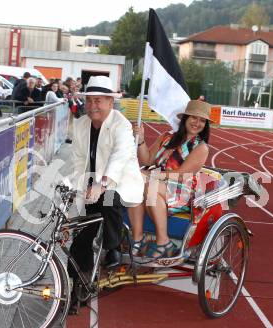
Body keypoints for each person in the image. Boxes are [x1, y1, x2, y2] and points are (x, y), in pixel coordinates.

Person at [68, 75, 144, 313]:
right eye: (89, 100)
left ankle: (114, 245)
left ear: (111, 102)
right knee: (81, 235)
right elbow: (79, 160)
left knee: (109, 197)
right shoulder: (80, 124)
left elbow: (119, 157)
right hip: (92, 186)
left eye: (99, 100)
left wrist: (102, 183)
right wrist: (78, 187)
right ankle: (76, 285)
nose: (93, 106)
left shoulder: (121, 125)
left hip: (119, 181)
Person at [128, 100, 212, 258]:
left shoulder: (201, 147)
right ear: (185, 118)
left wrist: (152, 175)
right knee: (137, 185)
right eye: (194, 117)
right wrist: (140, 140)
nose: (197, 123)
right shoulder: (166, 137)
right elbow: (146, 160)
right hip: (158, 185)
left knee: (147, 184)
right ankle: (138, 238)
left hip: (183, 190)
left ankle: (163, 241)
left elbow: (181, 174)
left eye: (202, 120)